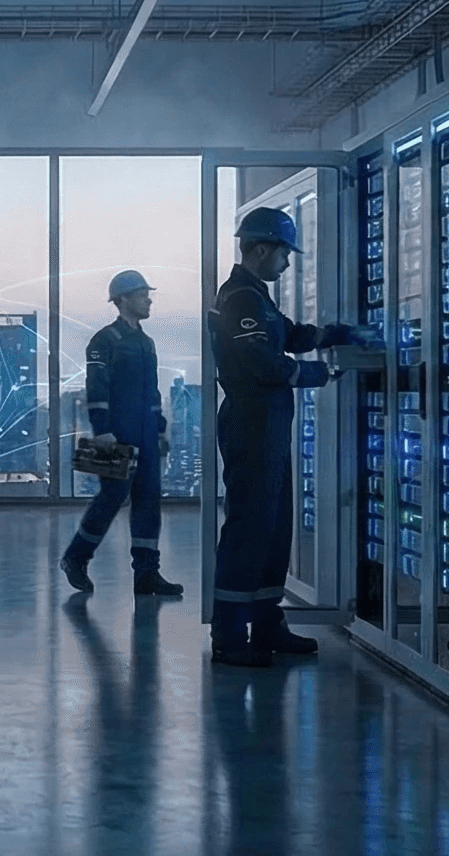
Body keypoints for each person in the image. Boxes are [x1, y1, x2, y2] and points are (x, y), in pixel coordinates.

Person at [210, 207, 362, 667]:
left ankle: (267, 623)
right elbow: (263, 363)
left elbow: (287, 335)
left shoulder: (256, 295)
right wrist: (325, 371)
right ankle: (231, 637)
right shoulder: (239, 298)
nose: (288, 263)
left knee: (275, 529)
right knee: (248, 529)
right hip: (250, 426)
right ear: (261, 249)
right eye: (284, 254)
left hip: (270, 427)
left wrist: (333, 334)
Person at [60, 269, 184, 597]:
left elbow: (153, 392)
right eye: (143, 294)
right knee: (112, 497)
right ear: (124, 299)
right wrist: (103, 431)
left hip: (144, 433)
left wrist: (159, 429)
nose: (149, 300)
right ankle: (75, 557)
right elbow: (96, 388)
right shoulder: (104, 341)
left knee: (148, 501)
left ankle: (146, 574)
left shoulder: (145, 342)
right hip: (117, 434)